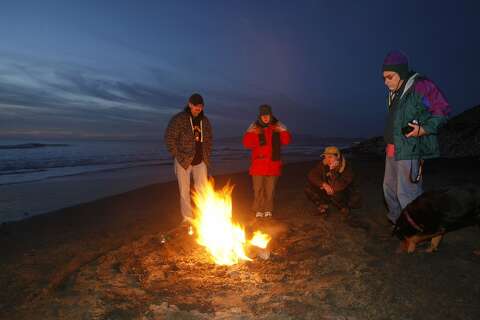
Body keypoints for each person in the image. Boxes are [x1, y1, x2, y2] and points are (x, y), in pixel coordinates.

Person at [381, 51, 450, 224]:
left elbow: (442, 110)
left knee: (407, 193)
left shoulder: (421, 85)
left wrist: (424, 129)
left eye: (389, 76)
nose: (386, 81)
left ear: (401, 73)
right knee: (389, 190)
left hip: (410, 150)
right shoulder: (395, 91)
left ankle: (418, 227)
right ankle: (398, 222)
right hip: (392, 149)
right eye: (384, 78)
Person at [164, 93, 212, 222]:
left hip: (201, 161)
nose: (198, 108)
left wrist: (207, 156)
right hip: (183, 161)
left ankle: (204, 216)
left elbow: (209, 140)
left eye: (200, 106)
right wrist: (178, 156)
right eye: (195, 105)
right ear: (190, 104)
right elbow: (169, 139)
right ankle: (188, 218)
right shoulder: (179, 119)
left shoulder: (205, 121)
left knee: (203, 190)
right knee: (184, 191)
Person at [243, 104, 291, 218]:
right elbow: (247, 144)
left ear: (271, 115)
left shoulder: (276, 128)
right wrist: (249, 132)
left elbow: (286, 140)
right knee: (258, 189)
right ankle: (259, 209)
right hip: (258, 165)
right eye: (263, 115)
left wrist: (284, 130)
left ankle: (268, 209)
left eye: (267, 115)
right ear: (260, 116)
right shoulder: (256, 129)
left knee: (270, 190)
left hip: (273, 165)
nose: (265, 117)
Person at [305, 146, 361, 216]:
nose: (327, 160)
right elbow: (311, 174)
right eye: (325, 157)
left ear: (337, 157)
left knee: (336, 192)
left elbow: (337, 187)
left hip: (345, 195)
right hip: (330, 191)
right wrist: (323, 184)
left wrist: (332, 170)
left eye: (330, 157)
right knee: (309, 188)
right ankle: (323, 206)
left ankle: (344, 207)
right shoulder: (324, 164)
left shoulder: (347, 168)